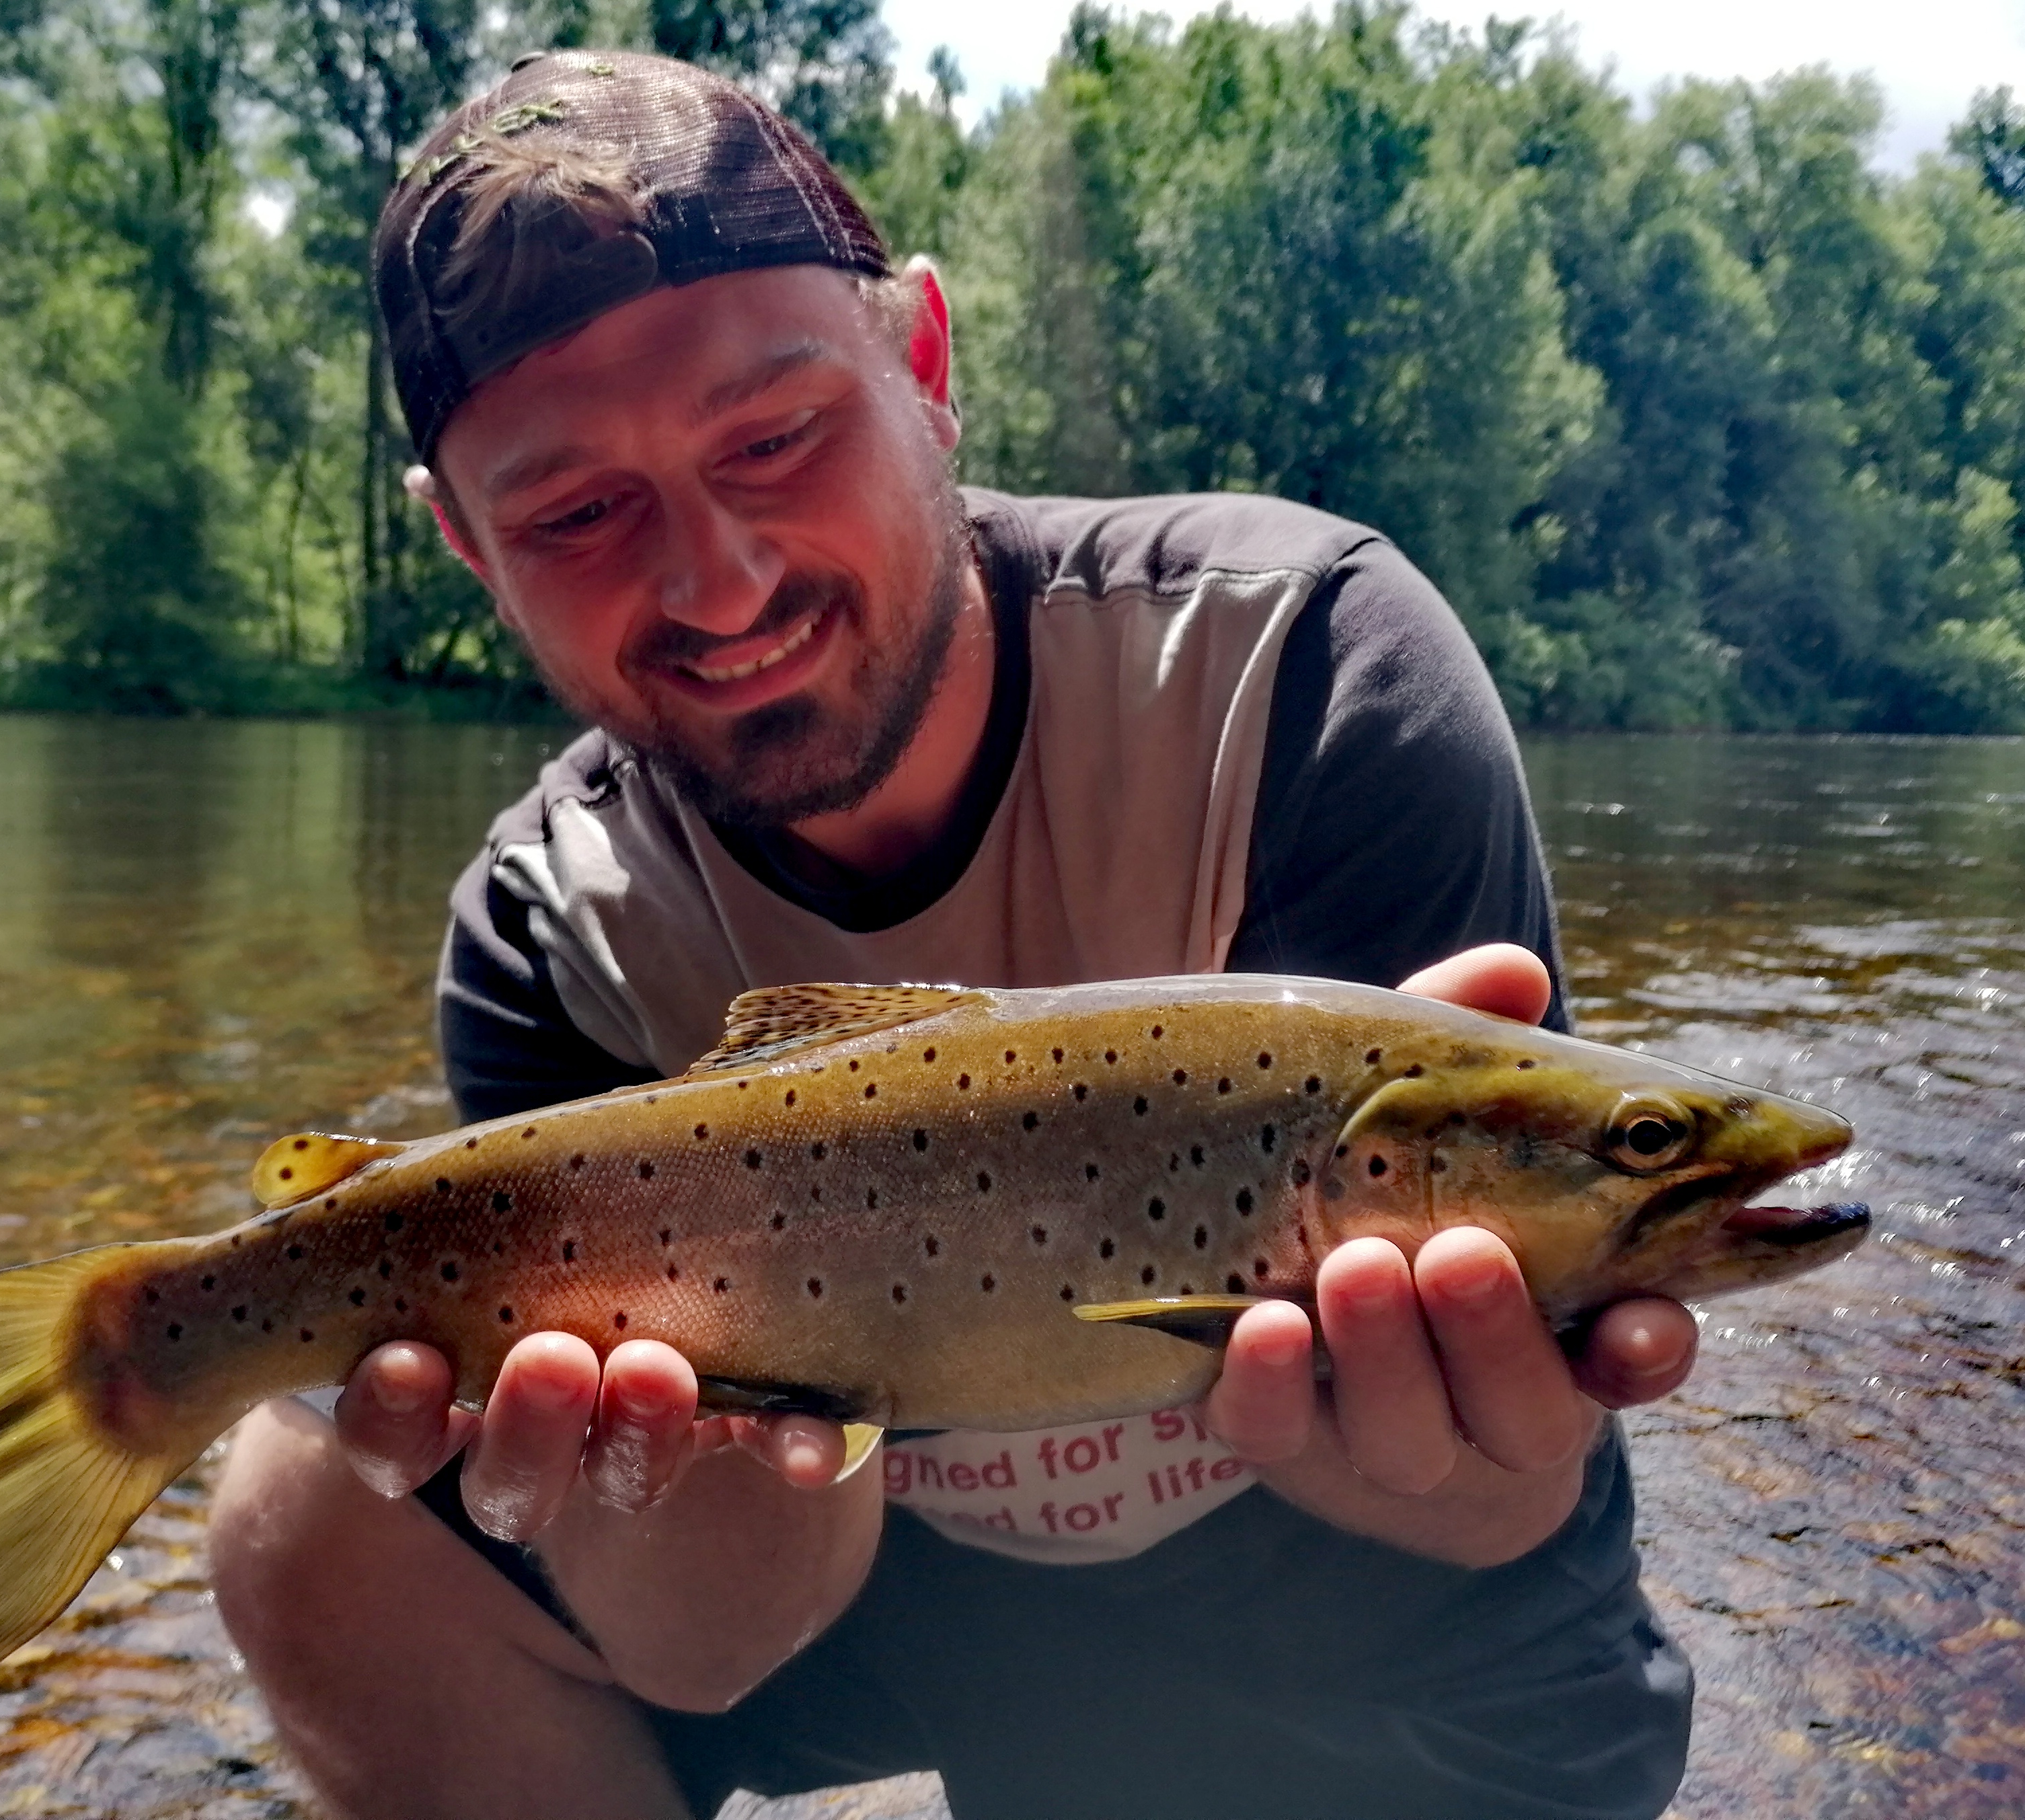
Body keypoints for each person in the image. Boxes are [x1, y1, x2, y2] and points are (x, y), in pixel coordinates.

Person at [208, 49, 1699, 1820]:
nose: (718, 583)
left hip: (1379, 1650)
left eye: (775, 439)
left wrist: (1471, 1426)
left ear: (924, 363)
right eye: (577, 515)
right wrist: (697, 1455)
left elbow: (1499, 1506)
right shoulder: (552, 928)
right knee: (297, 1506)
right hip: (905, 1606)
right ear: (467, 543)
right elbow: (709, 1642)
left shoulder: (1303, 674)